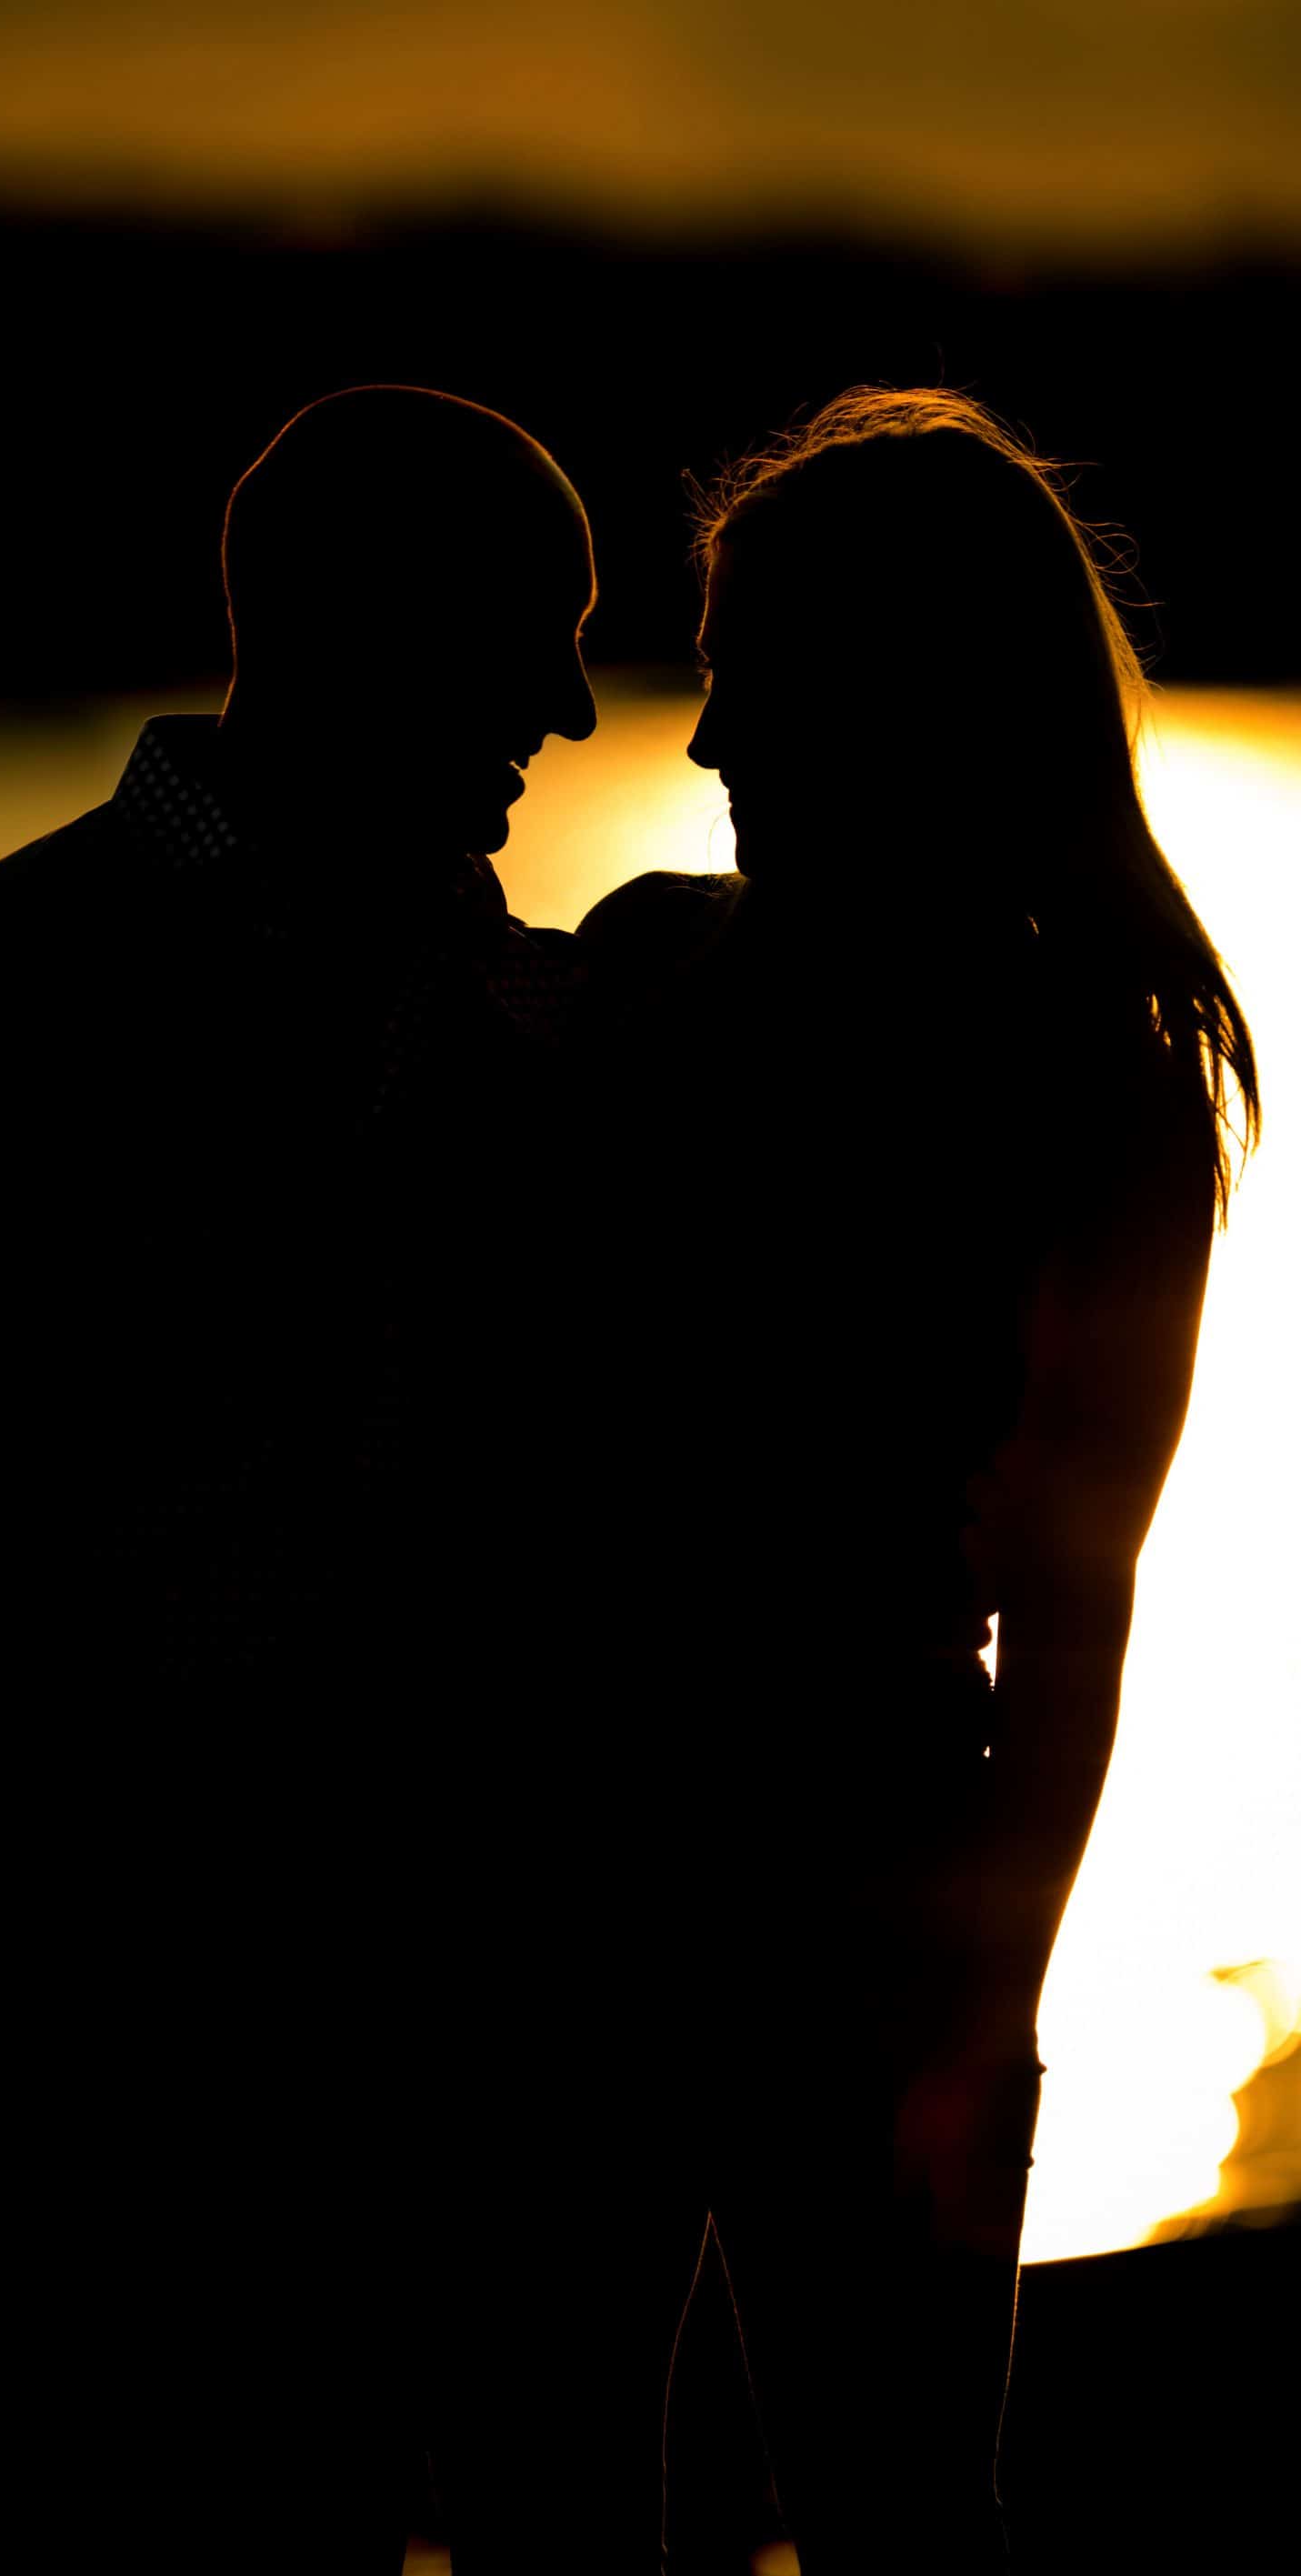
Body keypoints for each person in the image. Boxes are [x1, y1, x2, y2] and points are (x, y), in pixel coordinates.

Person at [0, 384, 604, 2569]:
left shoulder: (548, 1022)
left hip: (456, 2028)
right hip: (80, 2041)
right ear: (364, 630)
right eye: (530, 634)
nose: (574, 712)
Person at [575, 386, 1259, 2572]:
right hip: (550, 1874)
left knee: (893, 2525)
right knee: (581, 2510)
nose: (701, 741)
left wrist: (981, 2029)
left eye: (740, 670)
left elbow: (1078, 1604)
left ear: (899, 685)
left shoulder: (1097, 1077)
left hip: (864, 1908)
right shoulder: (636, 973)